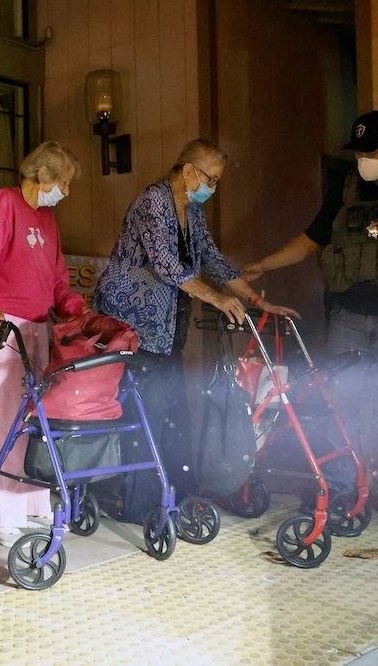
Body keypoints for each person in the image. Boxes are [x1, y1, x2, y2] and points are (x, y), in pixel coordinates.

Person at [242, 110, 378, 540]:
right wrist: (263, 264)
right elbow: (310, 241)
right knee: (337, 409)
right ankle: (342, 492)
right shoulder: (345, 191)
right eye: (361, 151)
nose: (367, 159)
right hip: (347, 319)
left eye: (375, 150)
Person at [93, 138, 299, 523]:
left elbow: (214, 260)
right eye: (211, 179)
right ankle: (142, 507)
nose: (214, 188)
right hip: (133, 324)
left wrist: (256, 300)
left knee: (173, 411)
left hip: (167, 329)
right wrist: (217, 300)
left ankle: (178, 494)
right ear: (189, 171)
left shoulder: (193, 210)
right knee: (146, 412)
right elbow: (167, 266)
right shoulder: (154, 201)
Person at [0, 140, 89, 547]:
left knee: (34, 416)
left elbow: (57, 281)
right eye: (63, 183)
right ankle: (1, 512)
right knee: (3, 416)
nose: (65, 192)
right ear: (41, 175)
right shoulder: (5, 203)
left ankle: (30, 506)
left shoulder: (47, 220)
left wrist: (76, 309)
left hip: (35, 323)